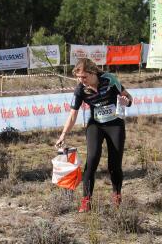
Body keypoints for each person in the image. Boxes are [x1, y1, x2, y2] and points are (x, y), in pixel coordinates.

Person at [55, 58, 132, 213]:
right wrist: (63, 135)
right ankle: (86, 200)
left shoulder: (109, 79)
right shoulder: (80, 90)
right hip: (96, 124)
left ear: (93, 72)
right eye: (78, 78)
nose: (81, 81)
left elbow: (129, 98)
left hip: (115, 123)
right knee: (92, 159)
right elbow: (72, 115)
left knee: (114, 164)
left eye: (84, 77)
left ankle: (117, 195)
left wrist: (126, 101)